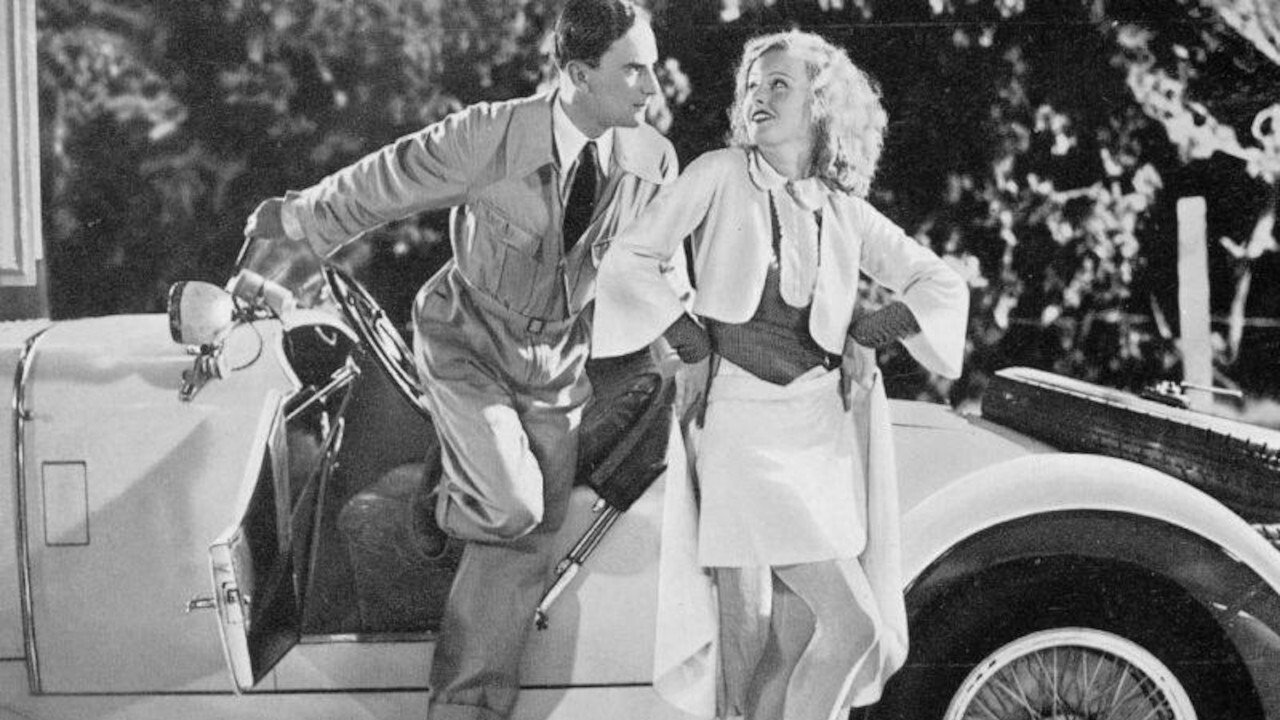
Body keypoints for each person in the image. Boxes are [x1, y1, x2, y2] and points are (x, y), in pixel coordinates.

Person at [242, 2, 680, 718]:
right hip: (467, 341)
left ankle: (465, 709)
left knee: (527, 542)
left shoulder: (652, 161)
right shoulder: (491, 135)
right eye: (634, 70)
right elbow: (389, 179)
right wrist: (297, 217)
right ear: (578, 74)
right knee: (510, 505)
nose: (652, 87)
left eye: (651, 67)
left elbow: (658, 272)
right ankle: (450, 482)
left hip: (557, 365)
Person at [593, 30, 968, 720]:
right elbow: (630, 258)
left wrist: (870, 331)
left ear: (821, 106)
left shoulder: (843, 208)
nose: (758, 97)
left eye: (779, 85)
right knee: (851, 628)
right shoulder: (718, 173)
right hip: (740, 424)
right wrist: (691, 343)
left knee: (786, 648)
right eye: (752, 86)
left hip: (819, 432)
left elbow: (941, 284)